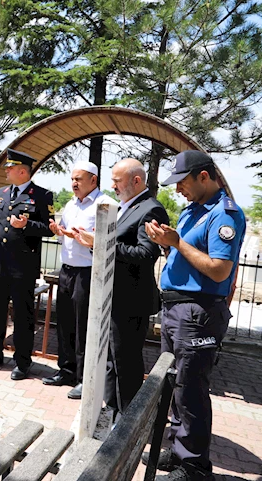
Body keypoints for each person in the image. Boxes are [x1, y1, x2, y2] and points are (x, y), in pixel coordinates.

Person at [142, 151, 245, 481]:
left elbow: (219, 270)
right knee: (175, 384)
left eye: (182, 182)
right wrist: (166, 242)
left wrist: (177, 243)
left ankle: (194, 467)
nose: (177, 190)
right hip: (177, 309)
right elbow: (184, 254)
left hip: (198, 312)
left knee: (191, 390)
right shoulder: (192, 210)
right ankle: (179, 449)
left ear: (204, 176)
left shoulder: (224, 214)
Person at [70, 158, 168, 420]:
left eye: (117, 181)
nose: (112, 186)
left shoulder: (151, 209)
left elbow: (146, 254)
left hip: (130, 300)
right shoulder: (127, 205)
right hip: (113, 296)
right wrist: (95, 242)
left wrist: (101, 241)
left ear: (136, 180)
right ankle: (113, 410)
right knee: (111, 360)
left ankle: (127, 421)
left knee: (125, 363)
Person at [0, 149, 53, 380]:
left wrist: (27, 225)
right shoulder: (2, 192)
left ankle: (22, 361)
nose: (6, 171)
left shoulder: (42, 195)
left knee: (22, 316)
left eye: (10, 168)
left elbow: (49, 229)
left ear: (22, 171)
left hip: (22, 266)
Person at [45, 161, 107, 399]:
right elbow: (65, 235)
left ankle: (84, 378)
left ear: (93, 180)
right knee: (64, 323)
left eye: (78, 179)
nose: (74, 183)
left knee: (83, 327)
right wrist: (59, 231)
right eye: (72, 179)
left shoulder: (104, 205)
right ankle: (66, 370)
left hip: (87, 272)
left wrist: (88, 238)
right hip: (67, 270)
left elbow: (106, 241)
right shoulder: (71, 204)